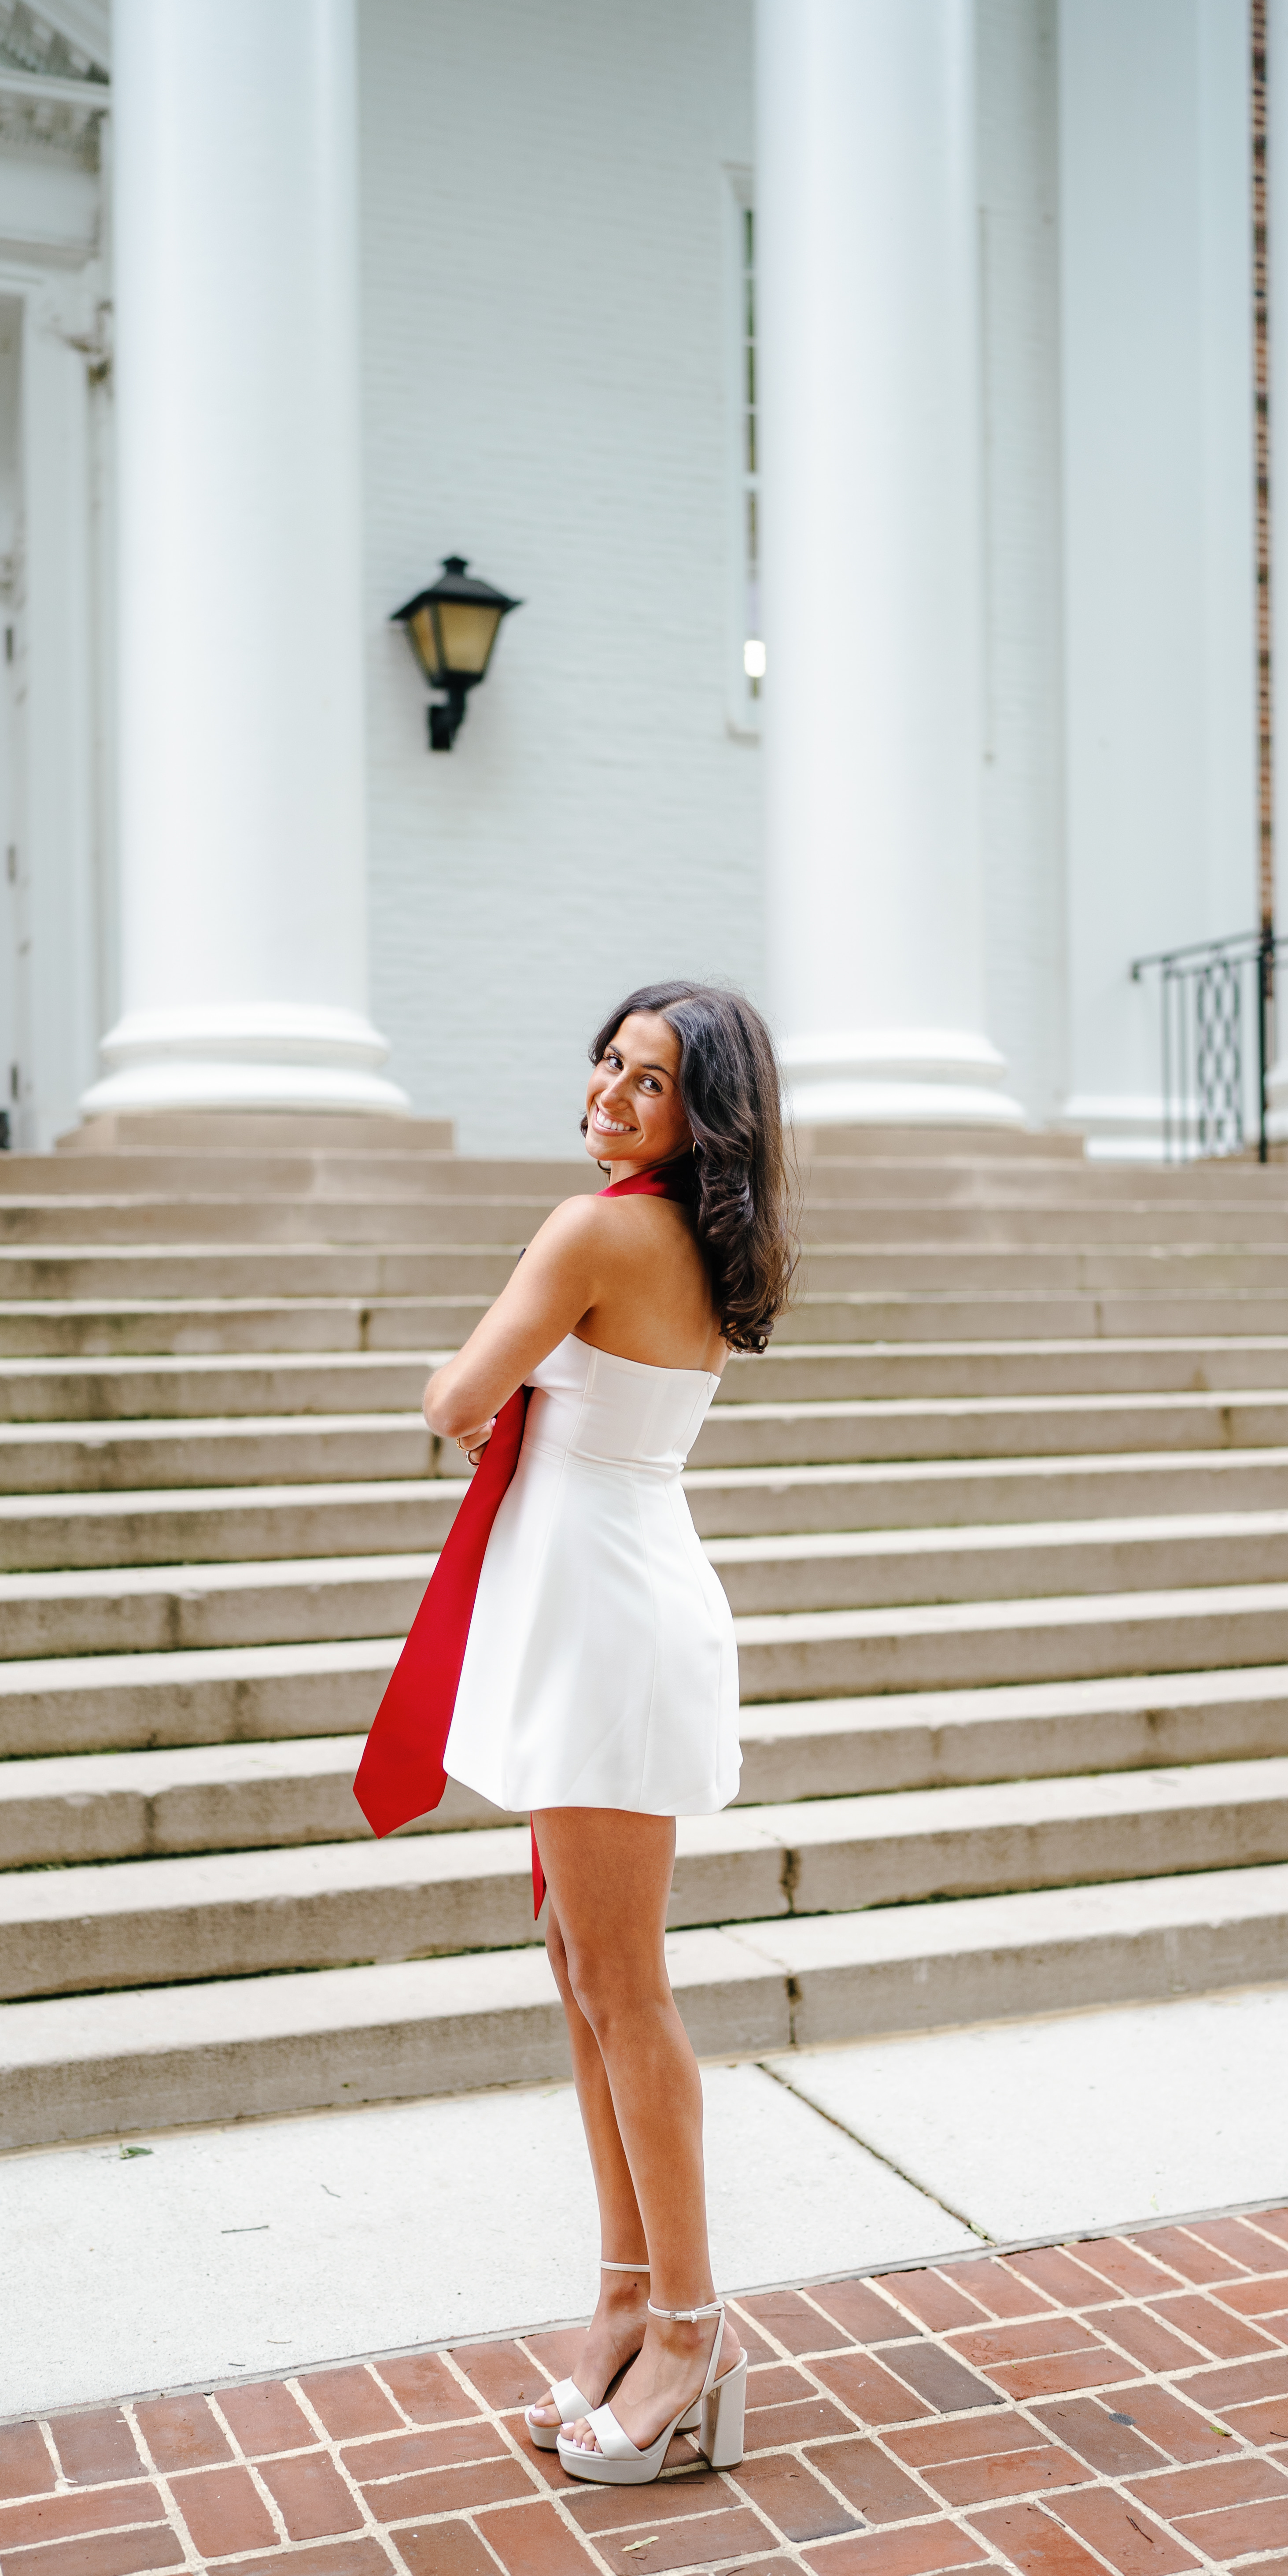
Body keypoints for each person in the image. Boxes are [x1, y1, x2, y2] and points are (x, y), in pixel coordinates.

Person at [421, 980, 797, 2486]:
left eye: (651, 1081)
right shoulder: (696, 1237)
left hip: (604, 1628)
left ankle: (694, 2327)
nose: (612, 1092)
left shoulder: (593, 1233)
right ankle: (625, 2298)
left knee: (622, 1987)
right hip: (603, 1602)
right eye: (610, 1061)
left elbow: (457, 1391)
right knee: (582, 1969)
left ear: (703, 1116)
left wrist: (460, 1389)